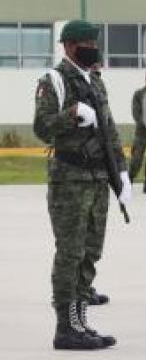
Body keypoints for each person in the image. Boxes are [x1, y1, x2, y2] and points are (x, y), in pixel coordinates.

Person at [33, 20, 131, 350]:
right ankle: (65, 327)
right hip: (69, 180)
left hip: (98, 180)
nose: (93, 47)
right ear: (70, 46)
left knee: (91, 252)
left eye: (94, 41)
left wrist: (121, 169)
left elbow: (109, 129)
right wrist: (72, 113)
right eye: (87, 42)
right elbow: (42, 128)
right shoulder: (54, 81)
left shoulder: (95, 81)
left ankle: (80, 320)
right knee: (70, 253)